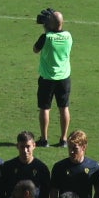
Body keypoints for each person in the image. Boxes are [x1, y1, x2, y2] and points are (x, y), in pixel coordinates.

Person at [34, 9, 74, 145]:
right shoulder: (68, 36)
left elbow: (35, 49)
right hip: (64, 78)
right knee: (64, 107)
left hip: (47, 78)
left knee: (45, 108)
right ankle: (63, 139)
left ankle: (44, 139)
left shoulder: (45, 38)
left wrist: (46, 29)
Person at [50, 131, 99, 198]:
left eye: (75, 148)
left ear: (83, 147)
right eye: (69, 147)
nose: (71, 151)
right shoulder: (59, 167)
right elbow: (53, 192)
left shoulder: (94, 167)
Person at [0, 132, 51, 198]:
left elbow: (46, 193)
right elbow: (0, 190)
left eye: (28, 146)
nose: (25, 150)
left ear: (34, 145)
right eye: (22, 147)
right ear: (17, 146)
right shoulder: (8, 166)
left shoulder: (41, 168)